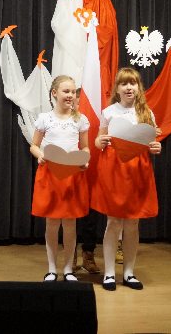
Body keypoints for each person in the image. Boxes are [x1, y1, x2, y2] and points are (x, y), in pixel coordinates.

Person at [93, 67, 162, 291]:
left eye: (133, 83)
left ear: (138, 87)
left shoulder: (147, 113)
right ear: (117, 89)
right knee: (113, 222)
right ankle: (109, 273)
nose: (129, 87)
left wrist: (156, 147)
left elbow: (152, 143)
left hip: (138, 170)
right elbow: (98, 141)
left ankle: (129, 273)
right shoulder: (109, 112)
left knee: (133, 223)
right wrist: (101, 142)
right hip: (114, 169)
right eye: (124, 83)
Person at [30, 75, 91, 282]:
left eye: (73, 92)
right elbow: (34, 145)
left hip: (72, 175)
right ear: (54, 93)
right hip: (51, 175)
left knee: (70, 224)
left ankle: (68, 269)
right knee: (52, 223)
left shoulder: (80, 120)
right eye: (66, 91)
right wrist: (40, 155)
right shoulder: (45, 119)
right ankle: (51, 269)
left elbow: (85, 147)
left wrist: (85, 160)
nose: (70, 95)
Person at [73, 88, 101, 274]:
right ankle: (71, 255)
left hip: (91, 173)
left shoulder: (94, 118)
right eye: (77, 101)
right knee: (70, 219)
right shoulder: (62, 120)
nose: (79, 105)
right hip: (69, 174)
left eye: (81, 101)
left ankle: (88, 255)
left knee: (91, 218)